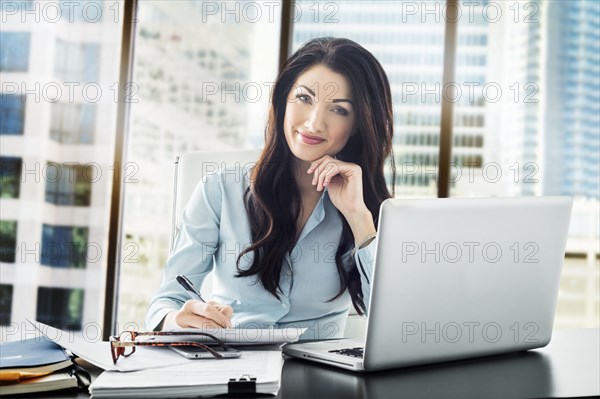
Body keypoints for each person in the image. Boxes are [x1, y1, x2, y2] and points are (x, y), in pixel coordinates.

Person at [146, 37, 395, 339]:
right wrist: (179, 319)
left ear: (359, 123)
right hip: (231, 365)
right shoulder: (220, 189)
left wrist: (358, 216)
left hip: (321, 371)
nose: (314, 123)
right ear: (283, 100)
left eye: (339, 110)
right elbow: (164, 303)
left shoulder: (367, 206)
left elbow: (389, 321)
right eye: (304, 98)